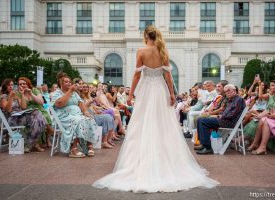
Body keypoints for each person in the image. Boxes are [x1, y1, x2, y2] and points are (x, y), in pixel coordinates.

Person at [93, 25, 218, 193]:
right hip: (160, 90)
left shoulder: (141, 51)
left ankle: (139, 162)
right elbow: (168, 76)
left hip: (145, 91)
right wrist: (172, 94)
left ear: (146, 36)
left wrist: (131, 95)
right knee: (163, 123)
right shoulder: (163, 52)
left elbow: (137, 75)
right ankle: (168, 162)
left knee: (142, 122)